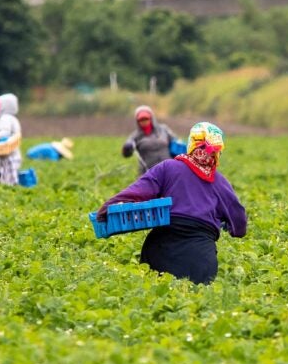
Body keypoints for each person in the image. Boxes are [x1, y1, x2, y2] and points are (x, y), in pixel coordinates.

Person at [97, 122, 247, 285]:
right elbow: (239, 224)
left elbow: (137, 191)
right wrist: (228, 226)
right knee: (195, 302)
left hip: (161, 250)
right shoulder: (220, 182)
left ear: (191, 144)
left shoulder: (168, 167)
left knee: (156, 297)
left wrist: (107, 207)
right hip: (201, 259)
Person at [122, 105, 178, 174]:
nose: (144, 121)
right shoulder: (135, 136)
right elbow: (126, 154)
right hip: (148, 172)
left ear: (151, 118)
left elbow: (175, 142)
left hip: (168, 170)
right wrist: (127, 148)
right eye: (141, 120)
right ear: (137, 121)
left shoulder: (163, 130)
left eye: (146, 119)